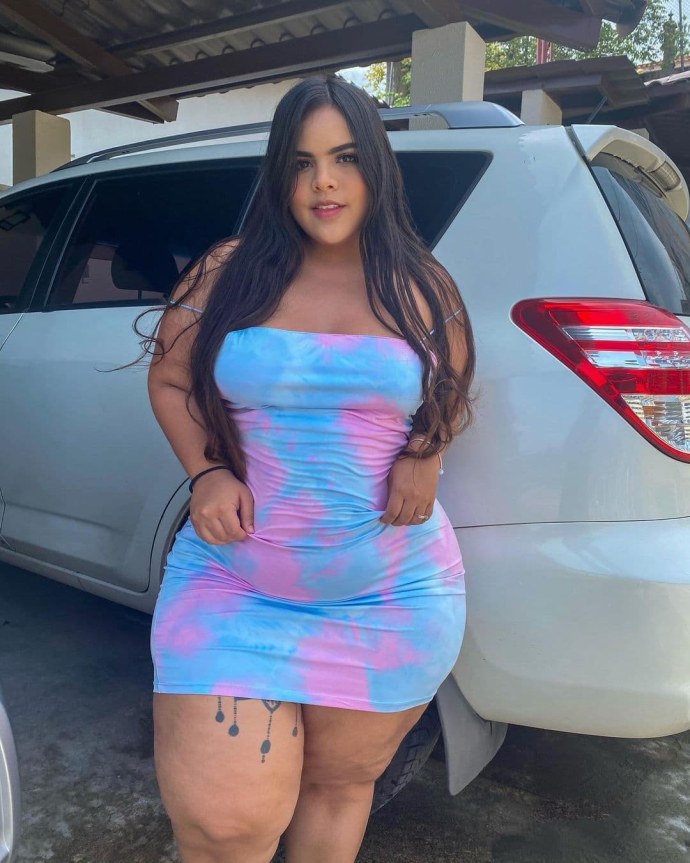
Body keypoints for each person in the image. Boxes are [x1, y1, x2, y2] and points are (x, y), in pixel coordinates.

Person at [146, 75, 475, 863]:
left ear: (377, 167)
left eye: (345, 158)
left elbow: (454, 381)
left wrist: (426, 450)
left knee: (339, 786)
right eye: (301, 163)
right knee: (224, 827)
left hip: (391, 595)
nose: (323, 182)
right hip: (234, 585)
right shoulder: (228, 271)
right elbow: (169, 377)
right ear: (278, 174)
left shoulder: (420, 282)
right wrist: (206, 472)